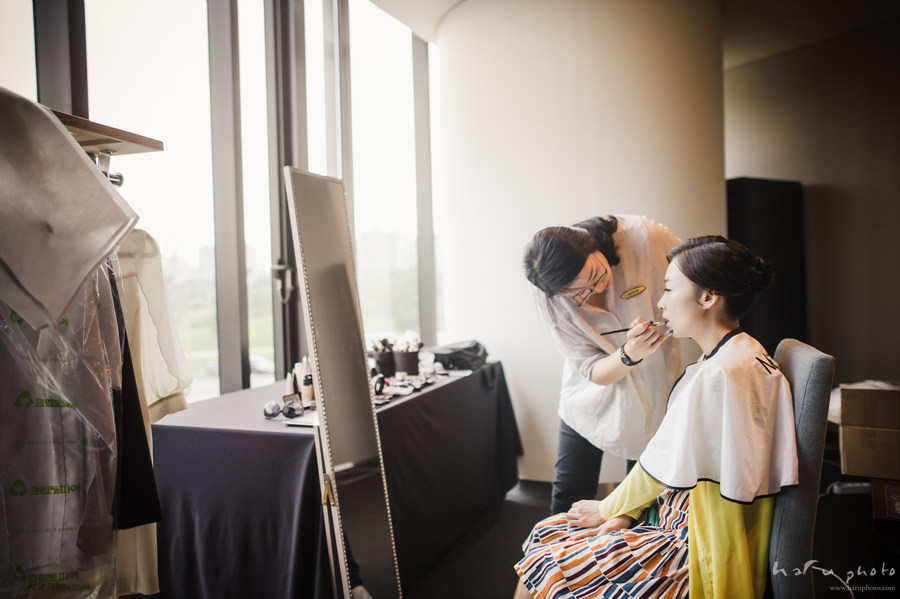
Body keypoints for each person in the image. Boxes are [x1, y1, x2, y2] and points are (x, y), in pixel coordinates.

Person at [513, 235, 799, 599]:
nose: (660, 302)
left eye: (668, 289)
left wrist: (611, 508)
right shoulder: (735, 356)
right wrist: (623, 512)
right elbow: (674, 466)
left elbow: (663, 468)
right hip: (678, 512)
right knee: (547, 533)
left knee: (547, 561)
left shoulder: (721, 374)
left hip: (690, 541)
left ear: (707, 298)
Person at [523, 215, 683, 513]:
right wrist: (630, 353)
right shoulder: (550, 294)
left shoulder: (645, 238)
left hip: (655, 389)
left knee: (639, 502)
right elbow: (593, 370)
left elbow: (695, 278)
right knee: (568, 499)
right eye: (579, 293)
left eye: (596, 274)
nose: (597, 288)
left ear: (591, 244)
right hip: (590, 398)